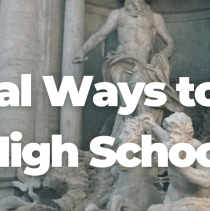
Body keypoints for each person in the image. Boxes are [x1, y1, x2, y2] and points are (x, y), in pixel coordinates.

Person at [72, 0, 183, 130]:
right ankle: (136, 132)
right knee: (126, 94)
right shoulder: (117, 14)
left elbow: (170, 43)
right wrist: (82, 52)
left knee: (136, 87)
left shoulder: (155, 17)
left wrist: (159, 58)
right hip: (120, 62)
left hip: (142, 66)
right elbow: (100, 35)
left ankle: (136, 132)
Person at [142, 112, 210, 204]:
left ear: (187, 135)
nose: (171, 136)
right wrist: (150, 123)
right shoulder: (170, 139)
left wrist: (179, 165)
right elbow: (160, 132)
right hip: (173, 196)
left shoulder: (199, 149)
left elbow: (206, 180)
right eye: (169, 132)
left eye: (176, 133)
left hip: (198, 198)